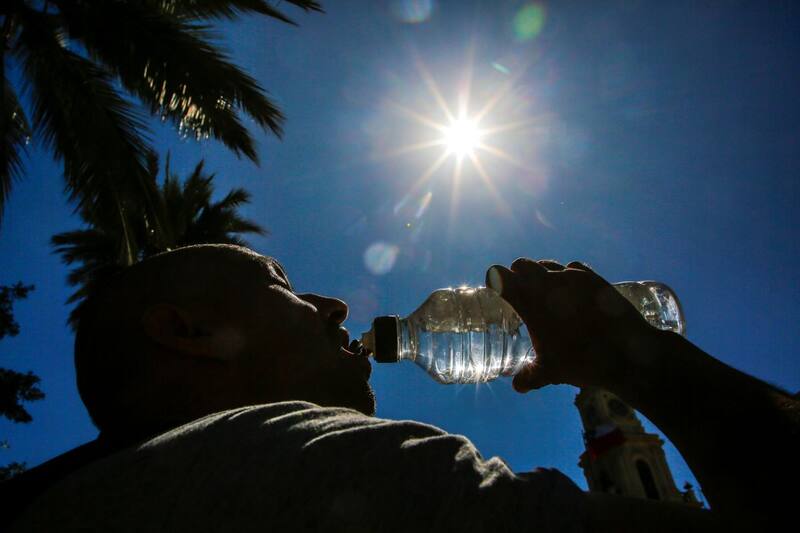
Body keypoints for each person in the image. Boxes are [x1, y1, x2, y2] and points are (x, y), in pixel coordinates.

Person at [1, 245, 795, 531]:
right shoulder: (301, 463)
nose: (335, 306)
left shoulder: (94, 496)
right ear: (189, 333)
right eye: (278, 280)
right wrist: (639, 356)